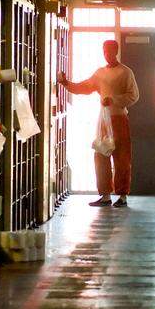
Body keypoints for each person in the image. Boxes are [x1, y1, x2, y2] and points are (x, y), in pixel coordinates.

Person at [58, 39, 139, 207]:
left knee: (122, 157)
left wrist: (114, 99)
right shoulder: (100, 73)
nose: (107, 54)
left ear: (116, 51)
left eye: (110, 51)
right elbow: (84, 87)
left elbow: (133, 95)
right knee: (101, 155)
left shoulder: (125, 72)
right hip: (104, 120)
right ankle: (105, 195)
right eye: (105, 51)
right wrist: (66, 83)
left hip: (119, 118)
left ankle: (122, 196)